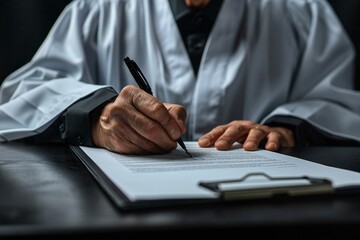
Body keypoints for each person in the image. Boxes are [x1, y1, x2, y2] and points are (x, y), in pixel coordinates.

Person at [1, 0, 360, 155]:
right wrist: (96, 117)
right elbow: (22, 96)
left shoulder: (301, 11)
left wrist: (289, 129)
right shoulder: (97, 9)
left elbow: (338, 100)